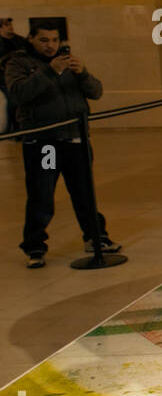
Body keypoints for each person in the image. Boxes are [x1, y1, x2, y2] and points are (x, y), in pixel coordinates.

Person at [4, 18, 119, 268]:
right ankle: (35, 246)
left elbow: (96, 92)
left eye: (55, 40)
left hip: (75, 139)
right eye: (44, 40)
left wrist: (83, 73)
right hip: (45, 143)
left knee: (84, 192)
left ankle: (96, 237)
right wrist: (49, 71)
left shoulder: (68, 63)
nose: (50, 46)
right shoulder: (18, 63)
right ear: (31, 39)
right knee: (42, 195)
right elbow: (19, 94)